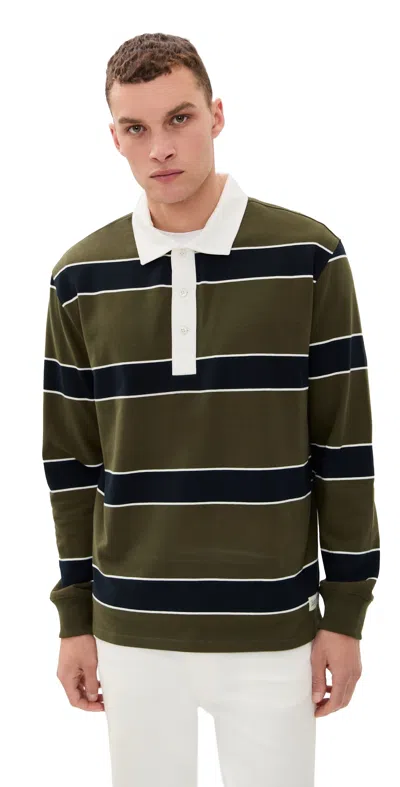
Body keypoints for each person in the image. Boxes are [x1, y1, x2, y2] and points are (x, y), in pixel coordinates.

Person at [42, 32, 380, 787]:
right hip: (131, 627)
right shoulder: (80, 278)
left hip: (274, 626)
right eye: (136, 127)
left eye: (180, 118)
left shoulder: (309, 256)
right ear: (114, 138)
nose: (160, 147)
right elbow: (70, 465)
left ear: (217, 115)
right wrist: (74, 618)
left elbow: (343, 446)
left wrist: (345, 610)